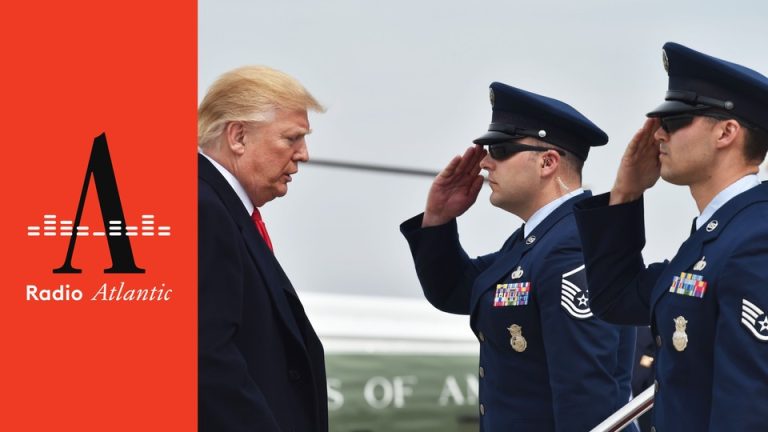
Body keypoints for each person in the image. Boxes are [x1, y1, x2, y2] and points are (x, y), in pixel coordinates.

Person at [400, 82, 637, 431]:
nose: (484, 163)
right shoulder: (536, 242)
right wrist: (438, 219)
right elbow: (455, 289)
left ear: (547, 162)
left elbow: (586, 394)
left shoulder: (572, 246)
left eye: (500, 149)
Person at [573, 42, 768, 431]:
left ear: (727, 132)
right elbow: (616, 299)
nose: (657, 133)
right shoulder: (717, 234)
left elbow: (749, 407)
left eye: (675, 121)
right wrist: (625, 195)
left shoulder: (756, 237)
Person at [197, 66, 328, 432]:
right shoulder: (203, 209)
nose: (304, 155)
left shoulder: (222, 208)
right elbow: (206, 359)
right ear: (238, 136)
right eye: (291, 138)